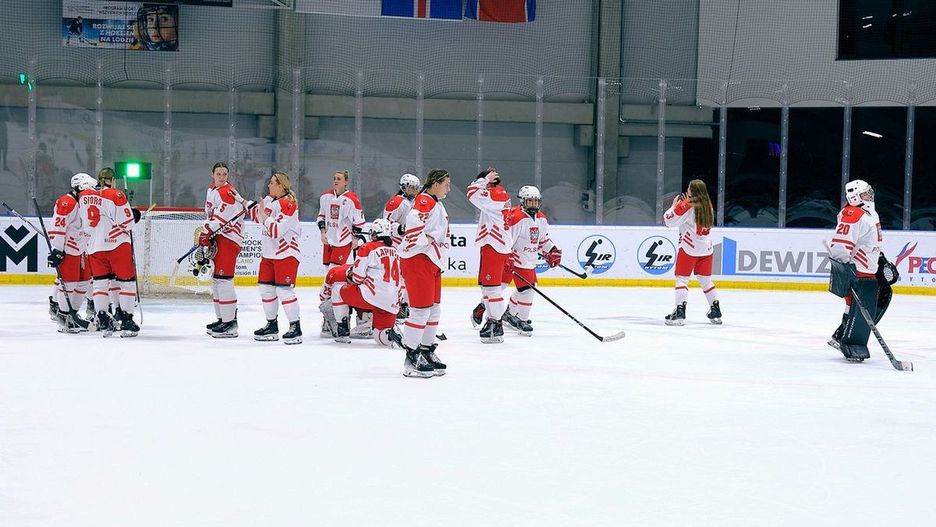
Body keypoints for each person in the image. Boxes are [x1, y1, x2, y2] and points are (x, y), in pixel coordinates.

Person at [391, 169, 452, 378]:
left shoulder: (435, 202)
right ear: (435, 183)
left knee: (434, 310)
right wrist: (425, 239)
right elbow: (414, 223)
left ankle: (426, 351)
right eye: (446, 184)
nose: (448, 189)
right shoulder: (425, 200)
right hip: (419, 260)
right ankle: (412, 355)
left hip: (432, 261)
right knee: (420, 310)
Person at [827, 179, 885, 362]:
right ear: (854, 196)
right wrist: (844, 271)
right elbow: (840, 244)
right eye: (865, 194)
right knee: (856, 305)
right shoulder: (853, 214)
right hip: (858, 268)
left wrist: (881, 259)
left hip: (869, 266)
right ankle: (847, 339)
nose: (870, 196)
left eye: (869, 193)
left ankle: (842, 335)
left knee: (872, 301)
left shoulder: (870, 214)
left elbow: (870, 241)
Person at [78, 174, 143, 337]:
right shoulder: (116, 194)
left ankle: (103, 319)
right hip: (117, 245)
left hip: (94, 246)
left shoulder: (84, 197)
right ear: (112, 180)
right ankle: (126, 319)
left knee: (100, 284)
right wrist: (134, 215)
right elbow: (127, 223)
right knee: (126, 282)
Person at [321, 218, 402, 346]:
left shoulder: (367, 247)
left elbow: (357, 278)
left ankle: (343, 330)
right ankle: (389, 335)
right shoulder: (397, 252)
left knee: (338, 290)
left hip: (370, 298)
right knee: (379, 336)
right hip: (391, 302)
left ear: (374, 234)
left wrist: (350, 275)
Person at [249, 172, 303, 345]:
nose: (269, 185)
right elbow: (258, 218)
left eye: (272, 183)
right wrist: (244, 203)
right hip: (269, 254)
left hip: (285, 254)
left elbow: (275, 231)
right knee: (266, 290)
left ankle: (296, 327)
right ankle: (271, 325)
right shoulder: (270, 200)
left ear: (281, 186)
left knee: (284, 291)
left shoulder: (289, 203)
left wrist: (264, 216)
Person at [501, 186, 562, 336]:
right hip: (516, 259)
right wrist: (508, 258)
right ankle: (522, 320)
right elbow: (507, 241)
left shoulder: (541, 218)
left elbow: (542, 240)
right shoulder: (516, 217)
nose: (533, 204)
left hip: (529, 260)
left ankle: (509, 314)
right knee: (527, 290)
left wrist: (552, 250)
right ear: (522, 201)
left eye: (536, 201)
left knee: (524, 289)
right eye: (530, 201)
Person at [662, 179, 721, 325]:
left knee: (682, 279)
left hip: (689, 248)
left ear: (692, 191)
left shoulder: (687, 205)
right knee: (705, 280)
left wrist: (673, 207)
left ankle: (680, 313)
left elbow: (669, 221)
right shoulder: (708, 205)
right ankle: (716, 310)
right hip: (707, 249)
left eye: (688, 189)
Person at [466, 167, 513, 343]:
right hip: (495, 244)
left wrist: (484, 179)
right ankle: (491, 319)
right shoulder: (498, 194)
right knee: (489, 287)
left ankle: (495, 324)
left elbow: (471, 192)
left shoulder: (494, 195)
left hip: (495, 245)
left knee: (492, 288)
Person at [317, 170, 365, 336]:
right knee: (328, 276)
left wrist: (354, 238)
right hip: (328, 241)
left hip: (343, 242)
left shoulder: (352, 199)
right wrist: (322, 232)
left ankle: (336, 315)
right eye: (334, 178)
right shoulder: (326, 197)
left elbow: (358, 222)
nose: (335, 181)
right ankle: (329, 315)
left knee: (334, 275)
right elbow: (321, 216)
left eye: (339, 179)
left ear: (346, 182)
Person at [202, 162, 247, 338]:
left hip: (229, 239)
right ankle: (222, 319)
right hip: (219, 238)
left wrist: (207, 231)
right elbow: (211, 215)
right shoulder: (212, 190)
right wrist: (208, 232)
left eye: (225, 173)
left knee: (224, 279)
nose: (222, 176)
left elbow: (221, 220)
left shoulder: (226, 192)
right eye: (219, 173)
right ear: (212, 175)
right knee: (217, 280)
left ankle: (230, 323)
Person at [47, 173, 96, 333]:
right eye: (87, 188)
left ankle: (72, 313)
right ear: (78, 187)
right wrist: (58, 249)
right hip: (68, 248)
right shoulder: (67, 202)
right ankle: (64, 315)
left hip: (81, 248)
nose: (90, 192)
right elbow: (58, 227)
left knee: (85, 280)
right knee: (69, 282)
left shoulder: (81, 202)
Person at [382, 173, 420, 318]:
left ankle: (403, 304)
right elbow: (386, 223)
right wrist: (401, 229)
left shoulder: (414, 202)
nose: (414, 190)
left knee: (406, 277)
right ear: (403, 187)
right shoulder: (398, 201)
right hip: (396, 245)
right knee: (399, 277)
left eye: (416, 187)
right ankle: (397, 305)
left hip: (407, 245)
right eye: (411, 187)